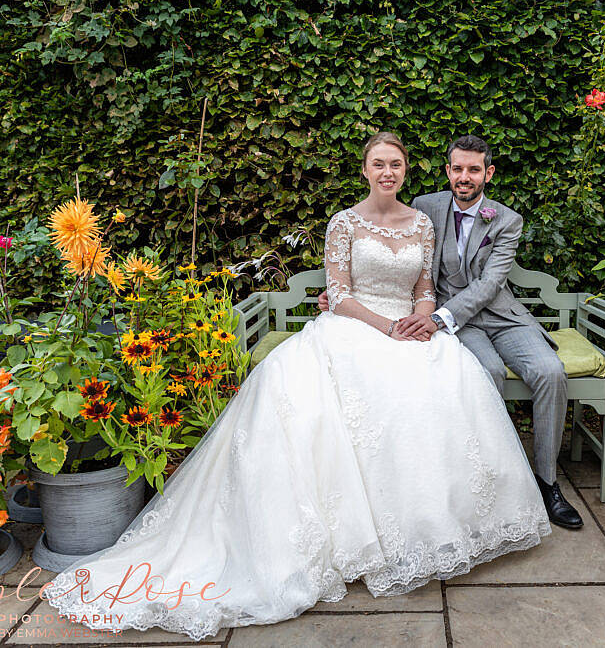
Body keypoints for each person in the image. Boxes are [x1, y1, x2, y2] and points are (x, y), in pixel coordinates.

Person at [44, 132, 550, 641]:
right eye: (379, 164)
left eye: (396, 164)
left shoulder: (421, 221)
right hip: (356, 327)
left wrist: (421, 320)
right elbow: (340, 293)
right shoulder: (343, 222)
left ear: (407, 170)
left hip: (412, 327)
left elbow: (425, 287)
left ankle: (429, 530)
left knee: (444, 385)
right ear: (365, 170)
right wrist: (386, 327)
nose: (388, 173)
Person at [320, 135, 583, 530]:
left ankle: (547, 483)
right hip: (457, 324)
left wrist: (437, 317)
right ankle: (492, 480)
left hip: (500, 317)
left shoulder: (506, 219)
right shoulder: (425, 208)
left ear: (487, 173)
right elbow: (393, 265)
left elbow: (491, 283)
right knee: (486, 373)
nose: (464, 177)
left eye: (474, 170)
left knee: (550, 372)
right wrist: (339, 295)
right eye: (457, 168)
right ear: (447, 171)